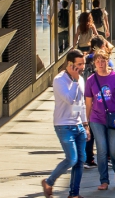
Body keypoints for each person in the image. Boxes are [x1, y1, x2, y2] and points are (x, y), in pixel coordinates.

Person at [41, 49, 89, 198]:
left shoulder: (80, 79)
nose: (82, 67)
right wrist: (74, 80)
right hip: (63, 125)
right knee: (71, 159)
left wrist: (85, 124)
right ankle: (49, 182)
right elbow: (69, 99)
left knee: (80, 161)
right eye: (79, 64)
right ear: (70, 64)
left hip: (78, 125)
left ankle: (74, 194)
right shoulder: (59, 80)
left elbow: (80, 103)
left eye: (83, 64)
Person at [84, 49, 115, 190]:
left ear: (107, 61)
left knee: (113, 150)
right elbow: (88, 102)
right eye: (97, 61)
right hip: (96, 119)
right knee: (102, 150)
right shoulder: (91, 80)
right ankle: (104, 180)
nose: (100, 63)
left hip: (114, 118)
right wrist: (87, 123)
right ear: (94, 63)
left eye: (103, 60)